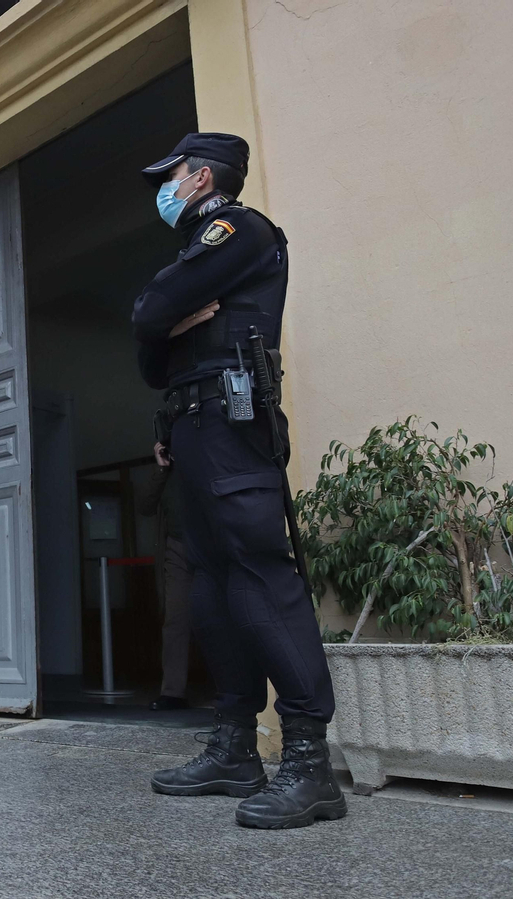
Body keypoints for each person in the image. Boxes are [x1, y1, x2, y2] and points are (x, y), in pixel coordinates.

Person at [132, 132, 345, 828]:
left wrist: (164, 322)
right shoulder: (195, 253)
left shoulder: (241, 230)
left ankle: (310, 763)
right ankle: (234, 746)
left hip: (233, 420)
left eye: (171, 176)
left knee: (258, 573)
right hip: (191, 428)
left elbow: (150, 311)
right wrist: (165, 327)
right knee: (212, 584)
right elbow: (150, 357)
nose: (165, 190)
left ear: (199, 176)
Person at [142, 441, 191, 712]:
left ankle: (232, 695)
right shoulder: (168, 470)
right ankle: (173, 692)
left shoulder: (207, 455)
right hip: (176, 548)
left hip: (211, 547)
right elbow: (145, 506)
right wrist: (161, 468)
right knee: (175, 620)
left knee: (218, 617)